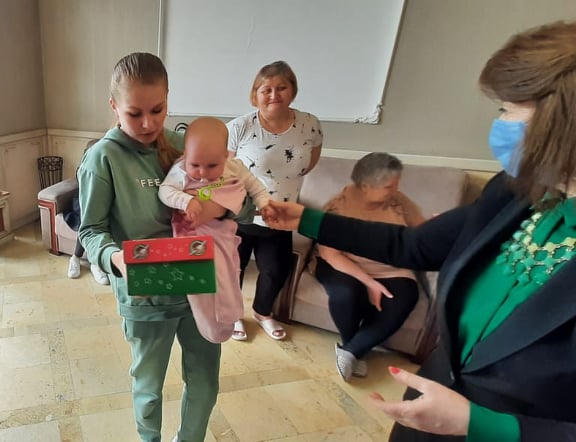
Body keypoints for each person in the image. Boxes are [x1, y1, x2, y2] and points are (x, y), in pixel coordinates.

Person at [263, 20, 576, 441]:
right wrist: (306, 219)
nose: (499, 123)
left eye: (507, 110)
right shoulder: (515, 193)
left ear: (559, 122)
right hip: (429, 406)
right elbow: (410, 244)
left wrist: (480, 425)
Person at [78, 52, 236, 442]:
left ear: (168, 100)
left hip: (201, 286)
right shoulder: (103, 158)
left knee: (205, 381)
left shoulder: (188, 146)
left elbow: (237, 195)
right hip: (146, 292)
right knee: (148, 389)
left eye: (158, 110)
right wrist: (115, 258)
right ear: (114, 106)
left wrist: (218, 204)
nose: (148, 123)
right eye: (134, 114)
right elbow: (91, 230)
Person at [227, 61, 323, 341]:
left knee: (275, 270)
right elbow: (223, 172)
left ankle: (262, 313)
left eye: (281, 88)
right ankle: (232, 315)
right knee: (232, 270)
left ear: (293, 90)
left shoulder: (310, 124)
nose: (273, 95)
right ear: (255, 94)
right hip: (241, 216)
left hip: (281, 216)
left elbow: (309, 163)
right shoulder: (240, 127)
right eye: (266, 89)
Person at [158, 117, 273, 343]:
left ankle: (229, 316)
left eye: (212, 166)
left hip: (222, 232)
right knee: (200, 281)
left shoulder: (234, 167)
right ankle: (209, 322)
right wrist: (185, 201)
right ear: (186, 156)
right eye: (195, 165)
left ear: (226, 155)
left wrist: (265, 204)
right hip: (192, 234)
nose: (202, 173)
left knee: (228, 273)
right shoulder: (180, 169)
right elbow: (165, 191)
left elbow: (255, 187)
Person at [314, 153, 424, 381]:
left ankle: (352, 352)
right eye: (388, 187)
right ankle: (353, 347)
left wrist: (437, 226)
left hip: (390, 267)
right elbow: (330, 254)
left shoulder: (398, 200)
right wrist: (370, 282)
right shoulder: (338, 208)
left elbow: (420, 229)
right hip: (344, 264)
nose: (395, 190)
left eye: (396, 184)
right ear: (365, 186)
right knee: (346, 294)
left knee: (405, 297)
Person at [65, 140, 110, 285]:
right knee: (87, 219)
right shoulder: (83, 169)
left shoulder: (110, 168)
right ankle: (75, 258)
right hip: (82, 201)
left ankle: (95, 263)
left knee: (105, 218)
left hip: (101, 203)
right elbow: (86, 192)